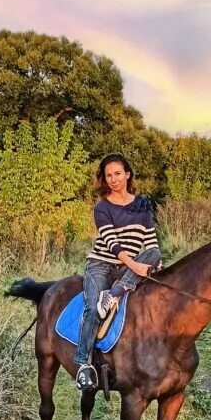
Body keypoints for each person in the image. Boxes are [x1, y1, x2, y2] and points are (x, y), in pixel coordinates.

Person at [74, 153, 161, 390]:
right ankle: (83, 363)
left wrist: (154, 264)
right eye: (108, 175)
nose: (113, 179)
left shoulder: (142, 204)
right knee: (93, 308)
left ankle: (114, 293)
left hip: (126, 269)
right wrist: (135, 266)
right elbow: (113, 245)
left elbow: (151, 243)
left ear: (128, 174)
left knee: (155, 254)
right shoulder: (102, 208)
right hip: (102, 264)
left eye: (118, 174)